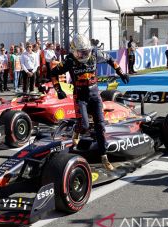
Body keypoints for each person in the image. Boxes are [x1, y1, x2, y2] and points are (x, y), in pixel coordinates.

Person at [50, 34, 129, 171]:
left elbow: (110, 59)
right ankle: (77, 129)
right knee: (85, 126)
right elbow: (53, 72)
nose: (83, 55)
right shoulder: (69, 60)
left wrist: (121, 72)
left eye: (85, 51)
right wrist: (58, 89)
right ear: (74, 51)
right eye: (80, 52)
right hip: (80, 96)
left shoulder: (95, 53)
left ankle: (104, 158)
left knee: (100, 126)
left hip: (95, 95)